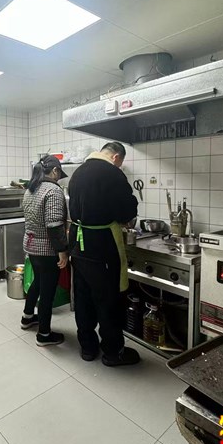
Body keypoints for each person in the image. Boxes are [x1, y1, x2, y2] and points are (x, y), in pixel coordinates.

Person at [68, 142, 139, 366]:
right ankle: (113, 352)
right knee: (109, 300)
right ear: (116, 157)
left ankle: (88, 347)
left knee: (83, 298)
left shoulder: (78, 172)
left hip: (78, 243)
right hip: (101, 245)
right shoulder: (112, 174)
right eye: (121, 163)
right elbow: (126, 212)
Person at [21, 155, 69, 346]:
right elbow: (54, 224)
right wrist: (62, 250)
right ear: (55, 171)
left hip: (31, 245)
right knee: (48, 292)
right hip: (47, 250)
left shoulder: (31, 189)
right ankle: (44, 334)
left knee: (38, 282)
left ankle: (27, 318)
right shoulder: (53, 190)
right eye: (59, 174)